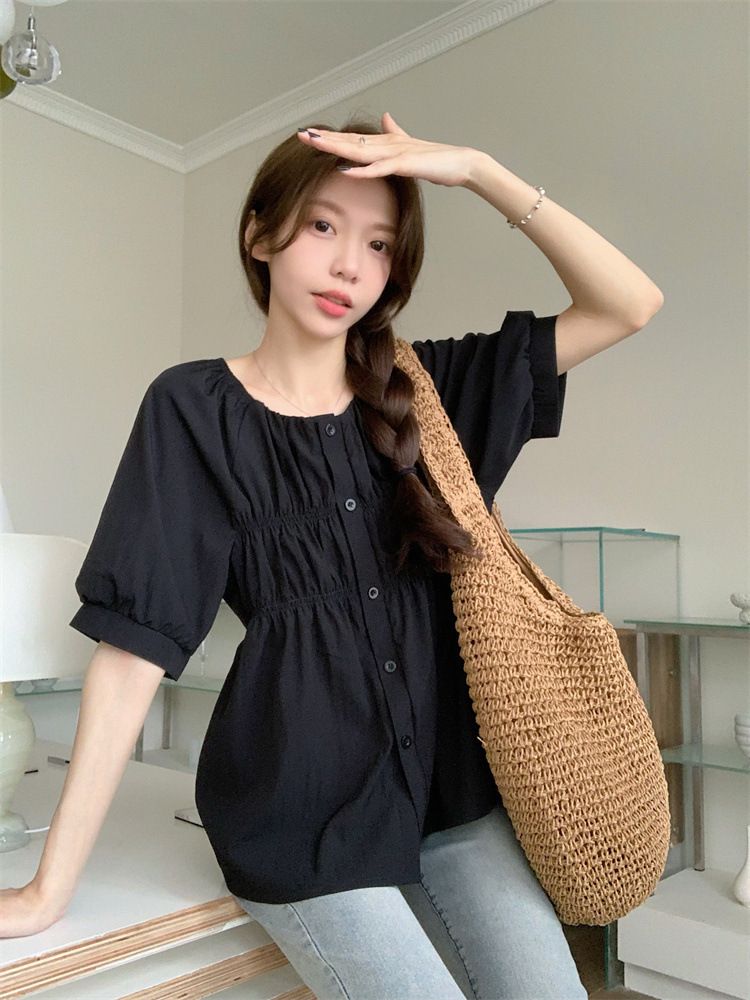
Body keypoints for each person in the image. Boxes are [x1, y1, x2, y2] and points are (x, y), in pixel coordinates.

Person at [1, 111, 663, 999]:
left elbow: (629, 304)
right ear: (259, 235)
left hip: (456, 800)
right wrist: (48, 890)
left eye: (379, 244)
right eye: (322, 226)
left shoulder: (427, 393)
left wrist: (476, 169)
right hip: (301, 818)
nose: (350, 264)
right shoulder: (192, 411)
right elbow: (131, 658)